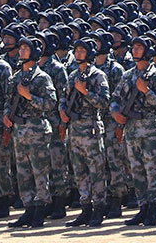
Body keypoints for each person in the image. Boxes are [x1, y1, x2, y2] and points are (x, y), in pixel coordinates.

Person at [112, 36, 156, 227]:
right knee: (135, 170)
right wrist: (115, 112)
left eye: (139, 47)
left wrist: (146, 91)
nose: (135, 50)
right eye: (134, 47)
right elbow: (116, 98)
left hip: (149, 127)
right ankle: (142, 207)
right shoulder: (127, 75)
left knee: (152, 169)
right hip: (131, 128)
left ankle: (154, 208)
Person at [4, 36, 56, 230]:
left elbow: (50, 104)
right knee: (23, 173)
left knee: (39, 172)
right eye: (21, 48)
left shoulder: (42, 77)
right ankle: (28, 208)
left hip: (36, 130)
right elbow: (8, 101)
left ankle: (40, 209)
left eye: (26, 48)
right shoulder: (16, 77)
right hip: (19, 130)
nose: (22, 51)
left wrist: (29, 96)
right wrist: (6, 115)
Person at [60, 37, 110, 228]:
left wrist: (86, 92)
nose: (78, 53)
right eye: (77, 50)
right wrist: (62, 110)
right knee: (79, 170)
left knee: (96, 170)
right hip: (74, 128)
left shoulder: (98, 75)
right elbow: (64, 97)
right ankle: (85, 208)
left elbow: (104, 102)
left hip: (91, 128)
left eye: (82, 50)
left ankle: (99, 208)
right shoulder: (73, 75)